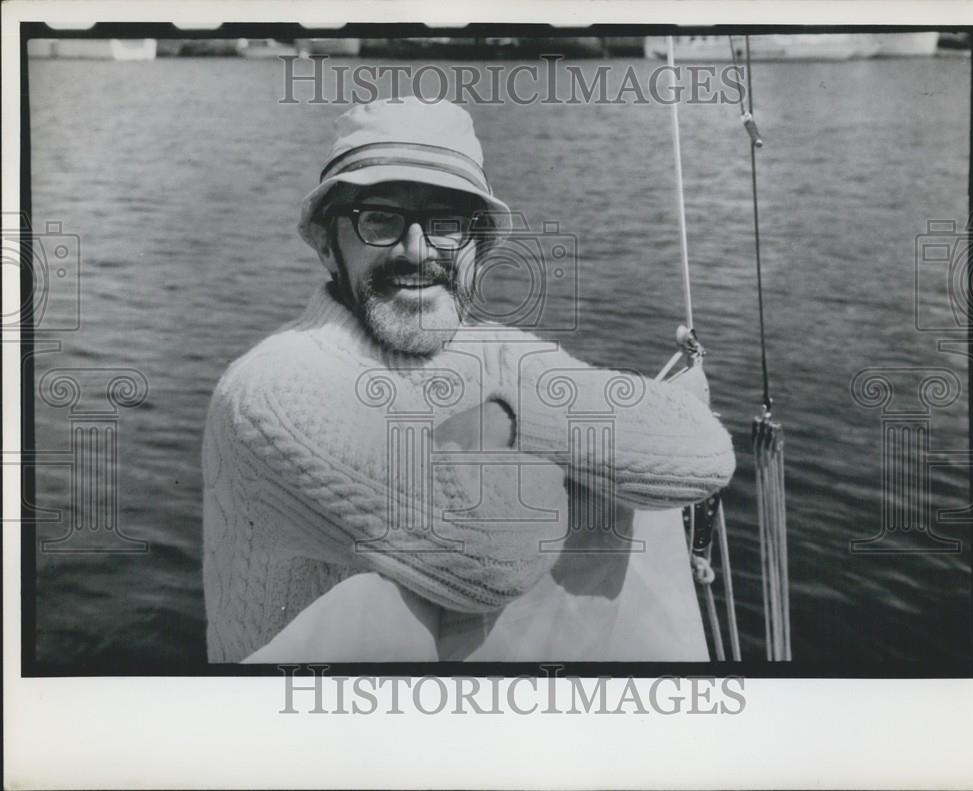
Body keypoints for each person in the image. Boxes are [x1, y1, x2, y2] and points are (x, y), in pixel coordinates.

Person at [202, 96, 736, 663]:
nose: (416, 249)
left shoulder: (495, 356)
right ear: (329, 246)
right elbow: (495, 555)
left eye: (445, 223)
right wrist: (583, 447)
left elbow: (702, 451)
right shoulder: (270, 390)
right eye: (378, 218)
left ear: (478, 248)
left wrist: (509, 417)